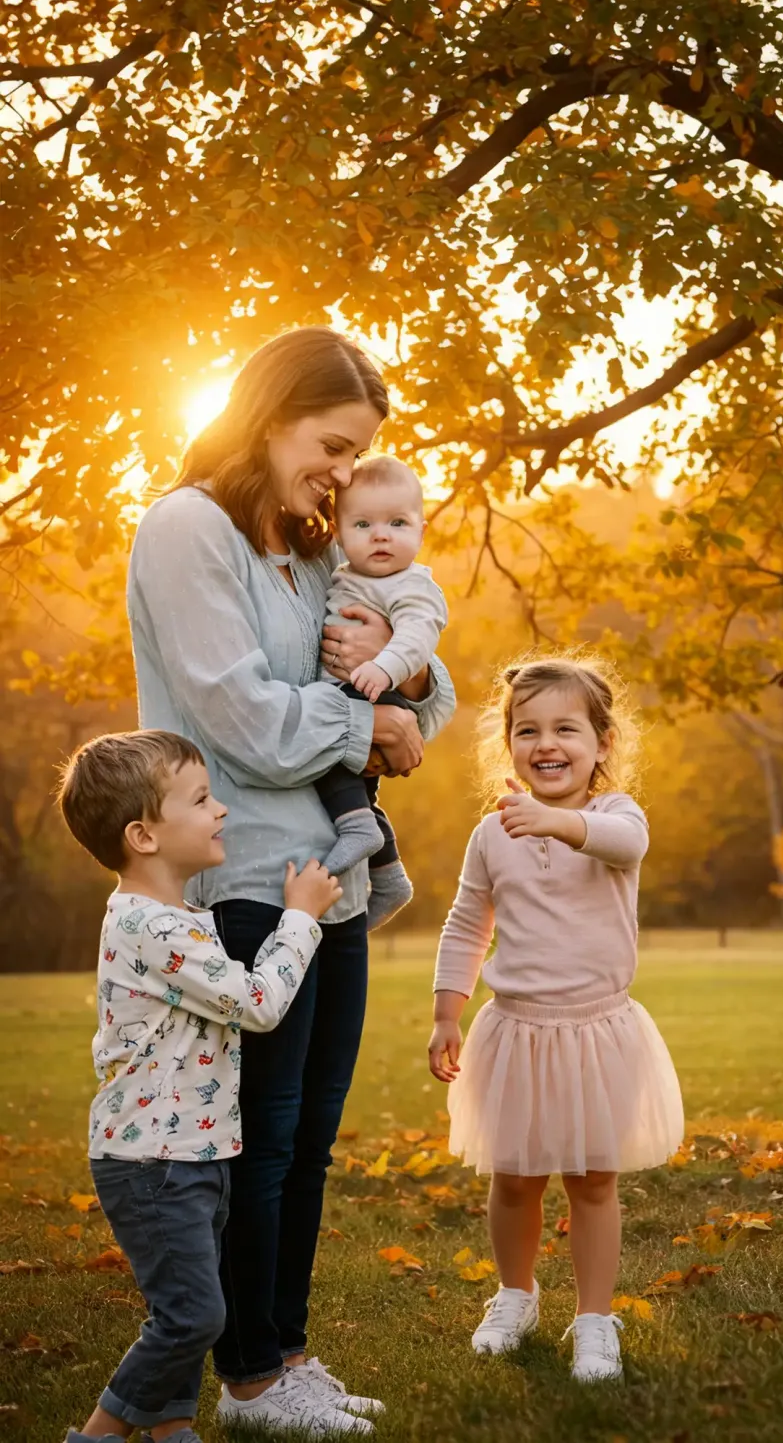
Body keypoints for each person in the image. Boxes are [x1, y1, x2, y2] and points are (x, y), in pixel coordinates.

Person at [126, 326, 456, 1432]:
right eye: (330, 443)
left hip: (332, 876)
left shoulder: (308, 549)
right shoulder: (188, 530)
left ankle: (288, 1353)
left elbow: (415, 669)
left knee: (309, 1134)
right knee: (259, 1138)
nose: (343, 471)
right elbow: (247, 724)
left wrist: (403, 707)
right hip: (246, 878)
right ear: (267, 418)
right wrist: (366, 719)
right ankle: (249, 1378)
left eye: (358, 451)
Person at [55, 729, 344, 1443]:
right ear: (143, 834)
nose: (221, 810)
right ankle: (96, 1434)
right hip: (153, 1161)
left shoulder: (178, 918)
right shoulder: (152, 926)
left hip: (194, 1149)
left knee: (189, 1300)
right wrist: (301, 917)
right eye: (202, 798)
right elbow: (256, 1004)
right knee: (193, 1315)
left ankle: (171, 1428)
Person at [428, 656, 684, 1383]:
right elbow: (465, 923)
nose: (546, 743)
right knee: (513, 1177)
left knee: (593, 1181)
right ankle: (515, 1294)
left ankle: (595, 1317)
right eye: (527, 729)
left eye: (566, 728)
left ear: (602, 743)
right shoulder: (492, 833)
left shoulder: (614, 815)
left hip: (597, 1031)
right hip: (516, 1031)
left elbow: (625, 846)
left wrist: (557, 822)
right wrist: (448, 1012)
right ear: (507, 742)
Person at [314, 455, 448, 930]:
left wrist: (384, 666)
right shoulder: (346, 574)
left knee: (326, 756)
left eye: (397, 523)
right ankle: (389, 876)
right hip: (353, 690)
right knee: (362, 793)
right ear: (338, 529)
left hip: (370, 691)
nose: (381, 535)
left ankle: (356, 831)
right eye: (364, 523)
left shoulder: (411, 584)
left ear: (421, 530)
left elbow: (418, 635)